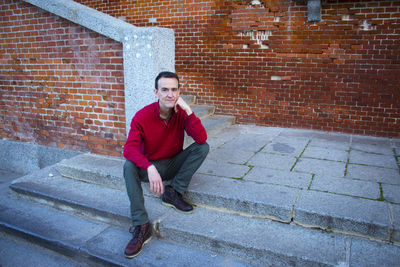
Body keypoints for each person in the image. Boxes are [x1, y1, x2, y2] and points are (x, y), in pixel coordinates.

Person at [122, 71, 209, 258]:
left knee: (202, 148)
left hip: (173, 163)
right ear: (156, 92)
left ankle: (173, 192)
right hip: (151, 166)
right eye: (165, 89)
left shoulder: (182, 114)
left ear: (179, 92)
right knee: (129, 166)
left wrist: (188, 110)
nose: (170, 94)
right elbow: (129, 149)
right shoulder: (142, 116)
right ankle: (141, 225)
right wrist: (148, 167)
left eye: (174, 89)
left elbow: (201, 138)